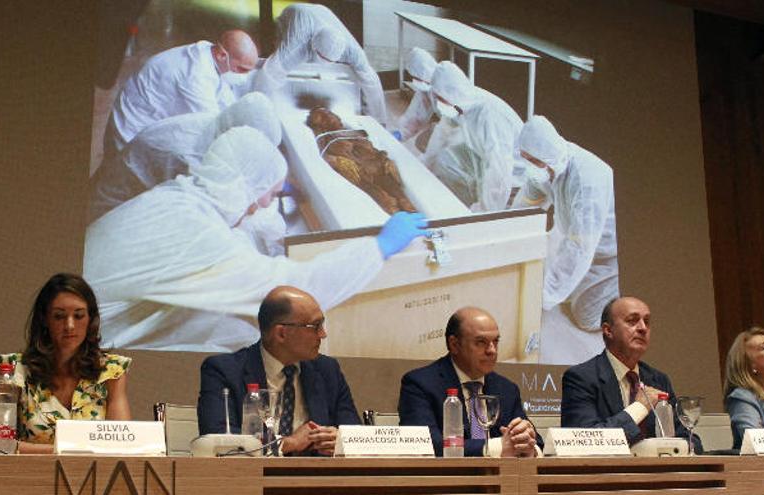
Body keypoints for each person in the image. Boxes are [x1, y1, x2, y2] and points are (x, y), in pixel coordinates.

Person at [84, 126, 428, 352]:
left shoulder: (178, 197)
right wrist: (378, 248)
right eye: (269, 192)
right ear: (247, 184)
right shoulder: (196, 233)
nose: (265, 203)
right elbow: (291, 290)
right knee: (242, 330)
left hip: (101, 314)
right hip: (91, 342)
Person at [197, 286, 359, 456]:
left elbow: (356, 434)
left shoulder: (327, 370)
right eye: (315, 326)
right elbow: (217, 439)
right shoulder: (224, 371)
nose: (323, 334)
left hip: (317, 477)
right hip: (253, 478)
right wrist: (288, 443)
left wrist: (340, 440)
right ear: (281, 333)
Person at [0, 273, 131, 454]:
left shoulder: (110, 371)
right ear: (45, 319)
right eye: (59, 316)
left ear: (91, 319)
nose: (69, 325)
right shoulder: (13, 370)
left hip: (94, 479)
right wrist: (62, 451)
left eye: (79, 316)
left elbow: (123, 448)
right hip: (26, 477)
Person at [512, 115, 618, 364]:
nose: (530, 165)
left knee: (586, 316)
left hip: (604, 255)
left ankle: (616, 287)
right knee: (539, 276)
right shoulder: (544, 169)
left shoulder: (586, 179)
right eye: (526, 160)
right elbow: (526, 205)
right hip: (570, 239)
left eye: (533, 161)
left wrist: (545, 296)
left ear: (546, 158)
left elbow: (580, 248)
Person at [90, 91, 282, 223]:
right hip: (110, 210)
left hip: (125, 183)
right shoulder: (190, 159)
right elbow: (196, 216)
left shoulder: (218, 123)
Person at [560, 297, 701, 452]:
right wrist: (639, 408)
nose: (643, 328)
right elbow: (581, 443)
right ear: (608, 330)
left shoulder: (659, 380)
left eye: (647, 321)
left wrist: (682, 447)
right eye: (632, 321)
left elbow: (690, 439)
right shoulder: (581, 378)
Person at [398, 307, 543, 457]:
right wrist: (495, 447)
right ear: (454, 344)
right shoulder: (420, 384)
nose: (492, 350)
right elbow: (425, 445)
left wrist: (528, 446)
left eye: (495, 341)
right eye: (481, 342)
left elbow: (536, 443)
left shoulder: (506, 389)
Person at [105, 29, 259, 157]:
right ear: (221, 55)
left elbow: (224, 99)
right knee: (115, 182)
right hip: (128, 131)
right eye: (242, 69)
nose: (244, 75)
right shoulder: (196, 75)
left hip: (141, 118)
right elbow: (213, 127)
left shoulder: (208, 52)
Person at [253, 4, 387, 124]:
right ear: (312, 44)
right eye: (321, 57)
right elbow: (269, 73)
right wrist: (259, 111)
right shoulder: (296, 43)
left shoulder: (353, 51)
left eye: (330, 61)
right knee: (282, 63)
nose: (325, 63)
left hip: (324, 12)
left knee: (366, 75)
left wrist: (379, 122)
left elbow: (371, 82)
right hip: (293, 14)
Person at [424, 62, 523, 212]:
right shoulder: (457, 103)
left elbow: (500, 169)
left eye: (442, 99)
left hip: (515, 173)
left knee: (493, 200)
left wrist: (485, 210)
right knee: (445, 158)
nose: (440, 104)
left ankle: (490, 207)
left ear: (455, 95)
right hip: (482, 154)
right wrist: (425, 164)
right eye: (437, 98)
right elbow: (442, 134)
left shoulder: (491, 115)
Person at [392, 47, 438, 144]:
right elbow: (416, 117)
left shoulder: (448, 85)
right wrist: (401, 133)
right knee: (422, 142)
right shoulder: (425, 89)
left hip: (466, 131)